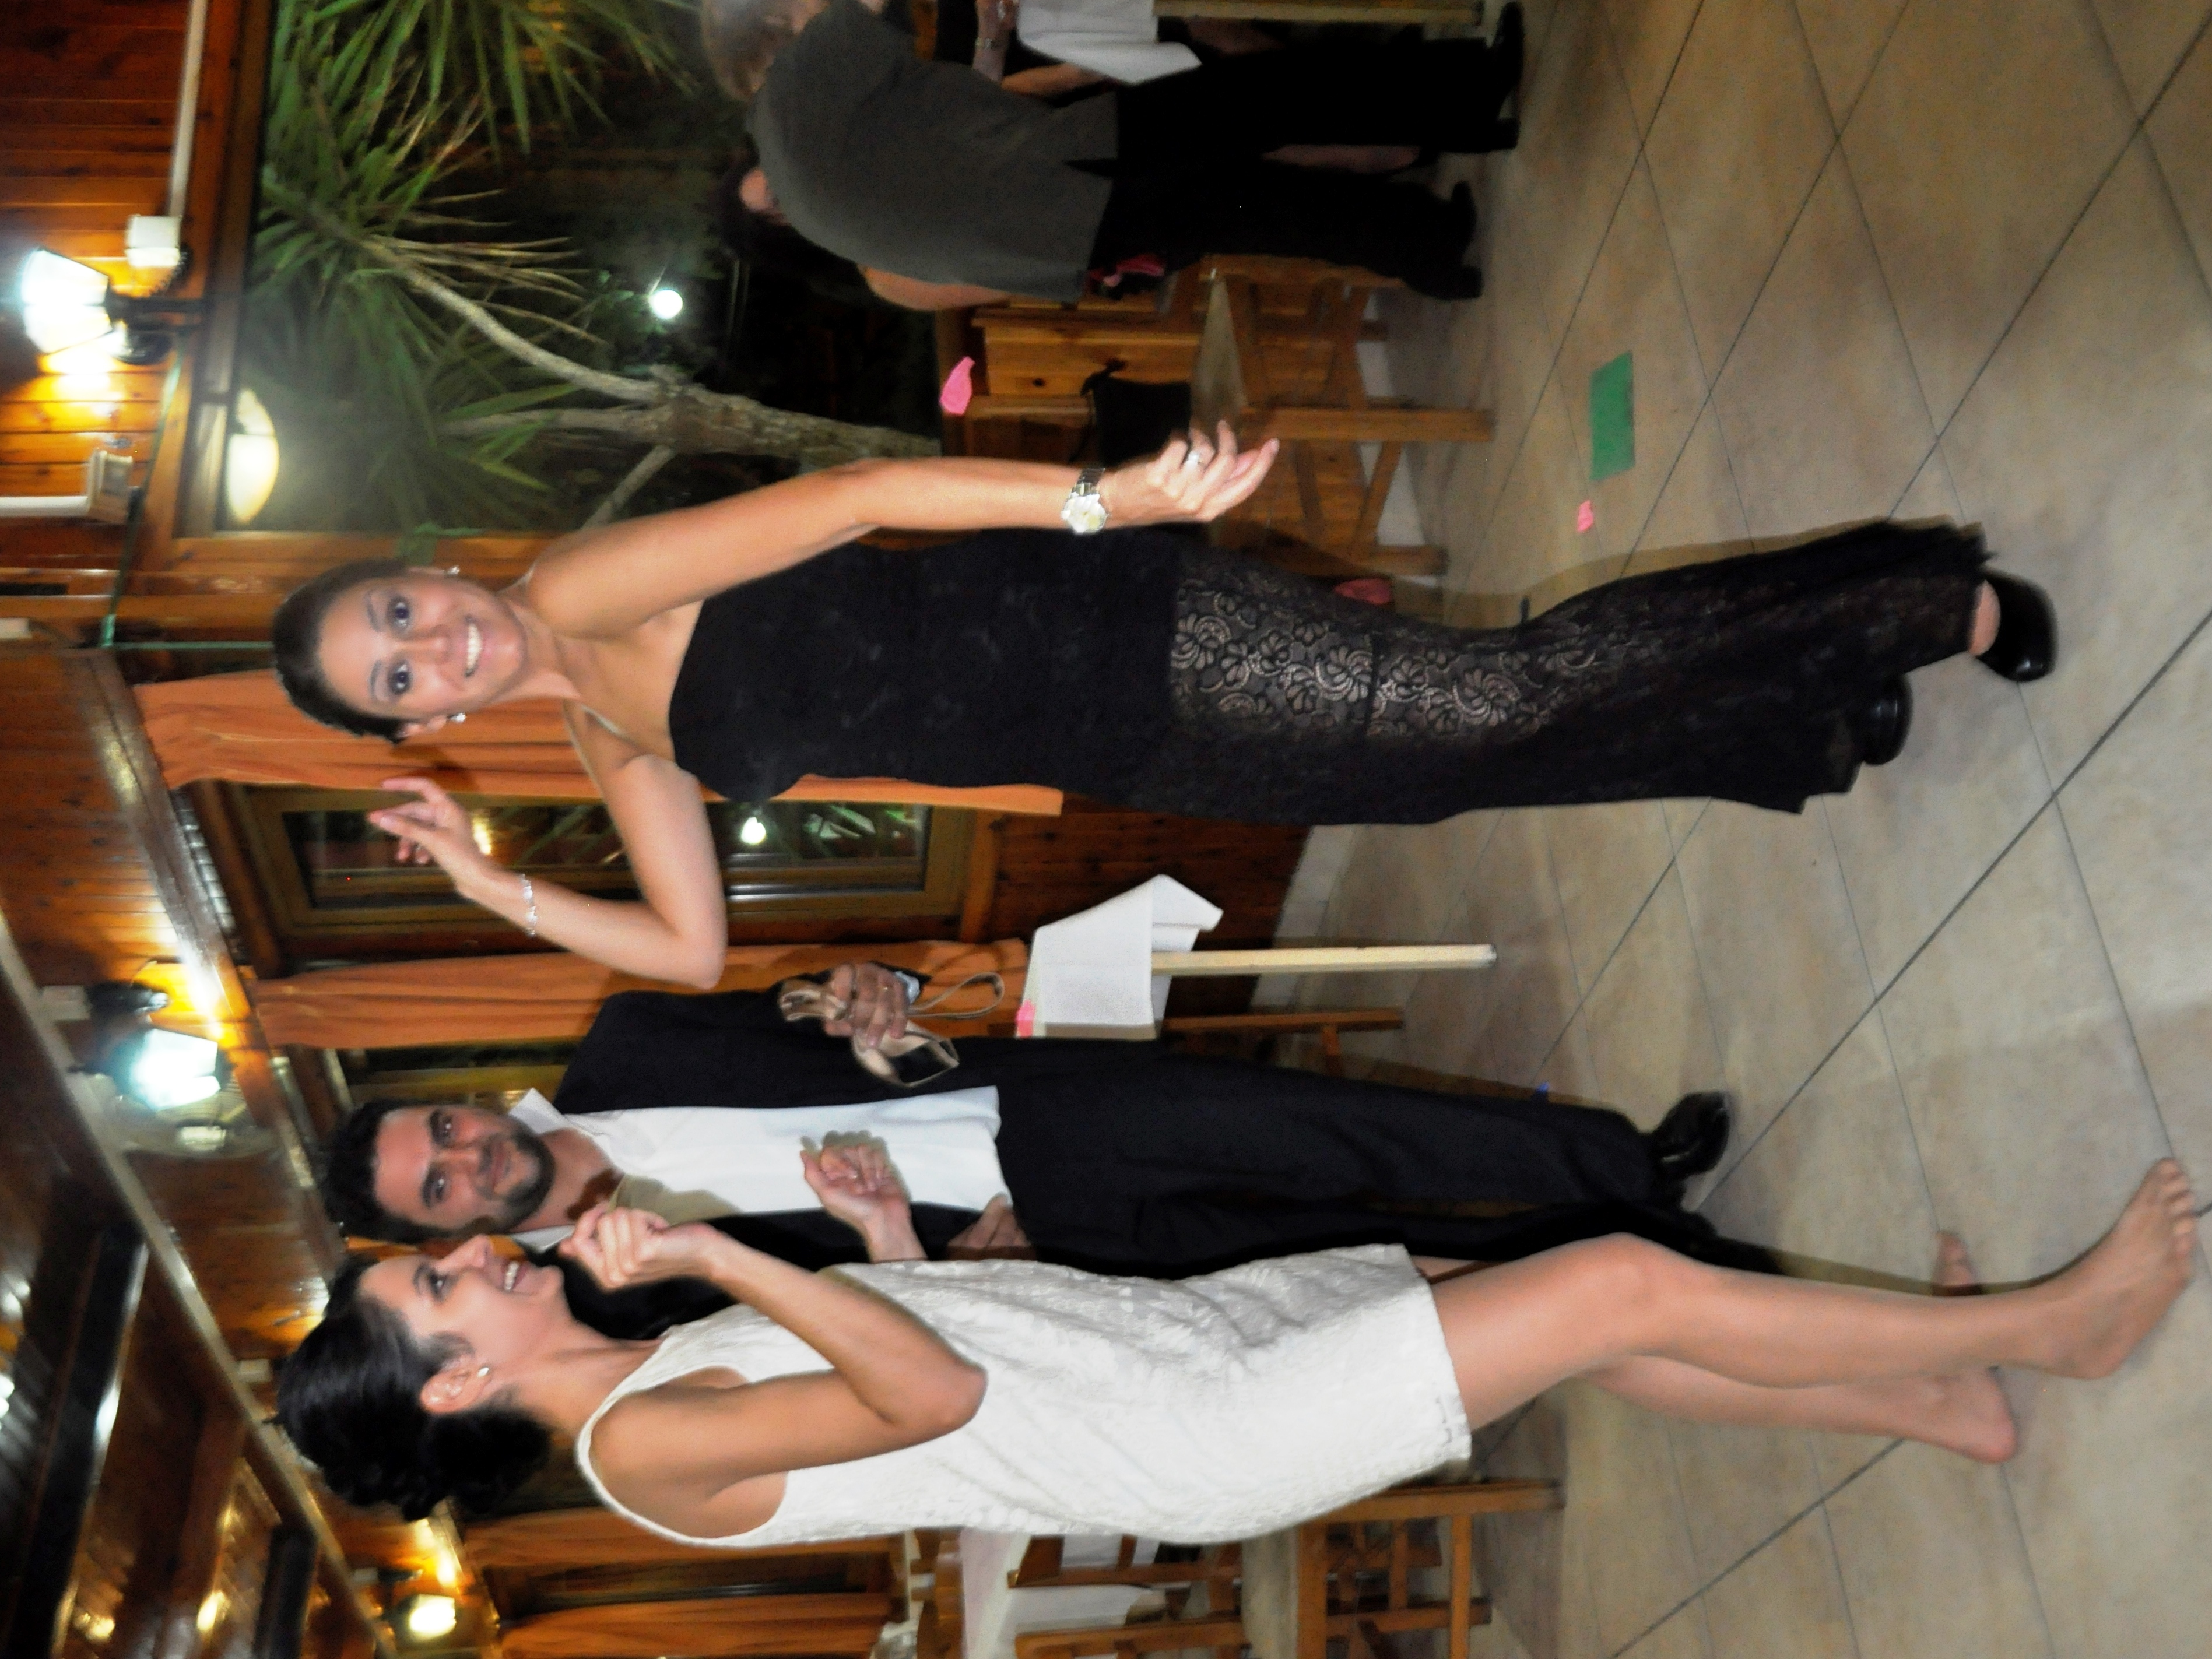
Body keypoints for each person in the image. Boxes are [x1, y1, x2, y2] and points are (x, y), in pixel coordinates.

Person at [271, 432, 2055, 990]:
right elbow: (686, 947)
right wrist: (487, 881)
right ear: (418, 730)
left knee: (1497, 690)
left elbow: (856, 496)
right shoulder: (613, 743)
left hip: (1124, 626)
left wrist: (1097, 501)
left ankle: (1917, 600)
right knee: (1447, 778)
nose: (438, 645)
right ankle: (1806, 708)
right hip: (1117, 742)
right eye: (399, 675)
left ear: (428, 569)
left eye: (402, 611)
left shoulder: (583, 581)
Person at [273, 1161, 2197, 1540]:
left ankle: (1937, 1398)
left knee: (1571, 1324)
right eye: (440, 1288)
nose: (474, 1253)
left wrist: (880, 1241)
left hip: (1173, 1347)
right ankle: (2058, 1325)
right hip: (1200, 1430)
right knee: (1614, 1279)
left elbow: (915, 1366)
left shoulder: (645, 1369)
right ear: (453, 1383)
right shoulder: (635, 1453)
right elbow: (932, 1397)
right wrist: (718, 1247)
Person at [315, 959, 1766, 1296]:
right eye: (439, 1187)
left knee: (1340, 1131)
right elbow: (813, 1337)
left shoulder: (627, 1040)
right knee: (1353, 1252)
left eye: (442, 1127)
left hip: (1042, 1108)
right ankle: (1632, 1259)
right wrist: (957, 1281)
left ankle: (1626, 1169)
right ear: (447, 1231)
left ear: (456, 1097)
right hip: (1031, 1255)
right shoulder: (603, 1296)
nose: (467, 1155)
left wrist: (862, 996)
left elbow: (816, 1011)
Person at [706, 0, 1525, 305]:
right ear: (770, 23)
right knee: (1272, 97)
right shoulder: (794, 96)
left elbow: (946, 142)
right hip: (1069, 175)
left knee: (1269, 209)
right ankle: (1473, 93)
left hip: (1071, 239)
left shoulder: (810, 182)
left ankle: (1435, 246)